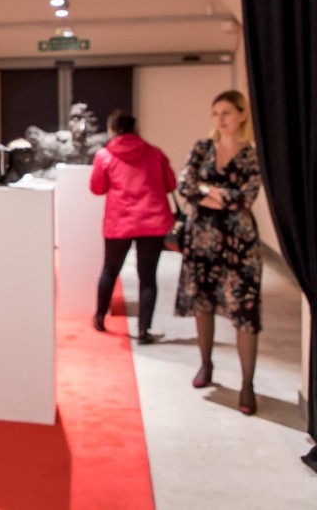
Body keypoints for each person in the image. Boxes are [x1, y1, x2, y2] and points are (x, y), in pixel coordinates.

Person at [174, 89, 262, 415]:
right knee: (203, 303)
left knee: (244, 310)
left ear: (242, 114)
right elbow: (184, 185)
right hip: (202, 240)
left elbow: (246, 197)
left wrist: (206, 191)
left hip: (240, 244)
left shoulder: (251, 154)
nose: (220, 119)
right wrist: (221, 195)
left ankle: (248, 384)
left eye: (226, 112)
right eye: (216, 113)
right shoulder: (202, 147)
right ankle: (205, 364)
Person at [90, 109, 176, 344]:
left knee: (110, 270)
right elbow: (171, 184)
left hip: (120, 221)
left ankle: (100, 317)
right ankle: (143, 330)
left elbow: (97, 188)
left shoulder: (105, 156)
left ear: (112, 130)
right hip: (153, 221)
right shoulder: (155, 153)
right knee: (147, 276)